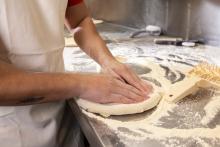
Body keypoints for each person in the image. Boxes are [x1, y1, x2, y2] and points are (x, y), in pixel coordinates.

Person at [0, 0, 152, 146]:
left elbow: (80, 20)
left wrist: (108, 61)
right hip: (11, 128)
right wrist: (82, 84)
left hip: (59, 112)